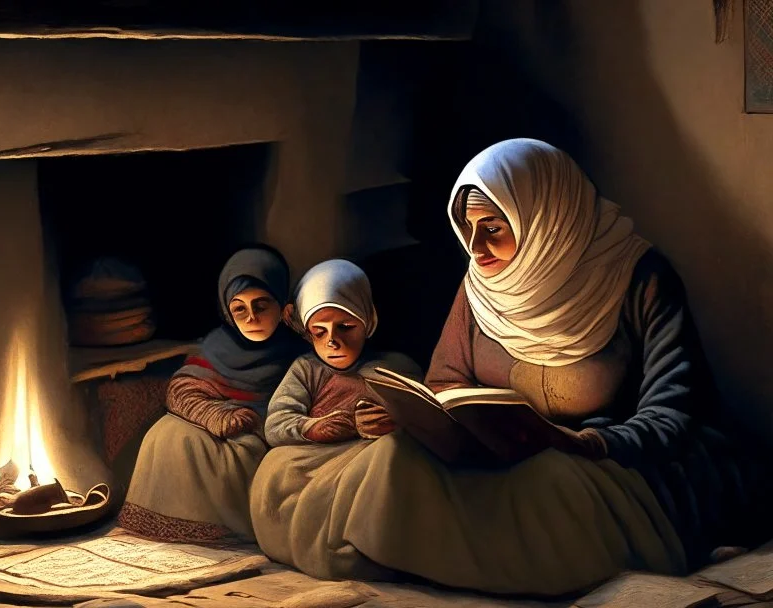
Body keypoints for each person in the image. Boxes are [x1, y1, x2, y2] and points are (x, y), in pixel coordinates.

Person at [248, 139, 770, 596]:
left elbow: (672, 413)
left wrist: (591, 442)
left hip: (604, 461)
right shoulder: (480, 285)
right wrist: (417, 419)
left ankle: (463, 568)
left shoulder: (639, 278)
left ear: (545, 217)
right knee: (389, 460)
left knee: (548, 482)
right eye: (468, 229)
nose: (476, 249)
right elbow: (445, 382)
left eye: (493, 228)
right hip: (492, 455)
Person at [118, 245, 305, 543]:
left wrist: (248, 421)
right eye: (239, 308)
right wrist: (216, 415)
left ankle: (220, 533)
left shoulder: (300, 351)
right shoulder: (218, 345)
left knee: (200, 444)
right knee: (167, 431)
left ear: (281, 302)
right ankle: (168, 531)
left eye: (262, 305)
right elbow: (183, 388)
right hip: (220, 422)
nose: (251, 318)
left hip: (262, 437)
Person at [264, 259, 422, 447]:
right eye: (319, 332)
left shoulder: (396, 367)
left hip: (371, 453)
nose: (332, 341)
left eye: (345, 327)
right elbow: (275, 425)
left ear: (368, 322)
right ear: (308, 332)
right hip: (314, 455)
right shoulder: (306, 369)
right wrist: (313, 428)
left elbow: (424, 419)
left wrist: (389, 420)